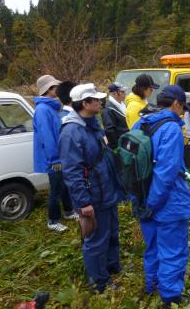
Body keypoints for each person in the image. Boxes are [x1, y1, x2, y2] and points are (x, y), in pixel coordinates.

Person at [132, 85, 190, 307]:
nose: (183, 111)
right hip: (167, 204)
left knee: (153, 247)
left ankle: (152, 285)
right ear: (176, 103)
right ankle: (171, 297)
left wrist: (142, 201)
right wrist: (153, 202)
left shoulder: (142, 122)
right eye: (182, 106)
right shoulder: (172, 130)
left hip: (142, 197)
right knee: (172, 252)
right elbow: (166, 172)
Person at [59, 83, 122, 293]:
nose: (100, 102)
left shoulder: (92, 123)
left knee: (112, 232)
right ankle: (99, 282)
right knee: (96, 240)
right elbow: (72, 171)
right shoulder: (71, 132)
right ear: (84, 104)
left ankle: (112, 269)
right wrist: (83, 202)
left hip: (107, 191)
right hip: (93, 195)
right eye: (95, 99)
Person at [33, 75, 77, 233]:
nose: (58, 89)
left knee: (64, 185)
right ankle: (53, 220)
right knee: (56, 189)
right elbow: (47, 137)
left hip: (59, 155)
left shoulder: (51, 107)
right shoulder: (42, 110)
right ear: (49, 89)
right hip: (53, 158)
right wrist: (54, 159)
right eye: (55, 86)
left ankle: (69, 211)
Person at [101, 82, 129, 150]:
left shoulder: (122, 104)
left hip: (127, 142)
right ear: (115, 93)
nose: (125, 94)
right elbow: (109, 130)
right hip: (119, 146)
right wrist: (115, 148)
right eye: (122, 92)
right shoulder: (107, 109)